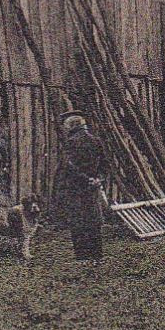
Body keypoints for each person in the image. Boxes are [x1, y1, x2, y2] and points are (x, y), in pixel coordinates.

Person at [55, 111, 108, 260]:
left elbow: (69, 168)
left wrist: (85, 179)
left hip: (76, 188)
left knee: (78, 222)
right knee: (93, 221)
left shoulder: (71, 143)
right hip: (93, 188)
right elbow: (105, 165)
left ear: (71, 126)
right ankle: (97, 256)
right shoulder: (96, 141)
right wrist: (98, 179)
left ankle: (83, 258)